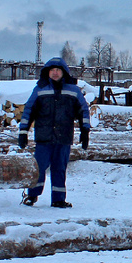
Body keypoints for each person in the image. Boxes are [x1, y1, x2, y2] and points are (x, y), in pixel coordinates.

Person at [17, 58, 91, 207]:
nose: (55, 73)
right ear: (47, 72)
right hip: (44, 137)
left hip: (63, 137)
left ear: (64, 72)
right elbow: (29, 111)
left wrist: (85, 131)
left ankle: (58, 199)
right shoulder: (40, 89)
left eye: (58, 70)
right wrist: (23, 132)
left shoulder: (73, 90)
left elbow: (83, 110)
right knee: (39, 167)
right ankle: (32, 195)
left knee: (59, 168)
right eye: (52, 70)